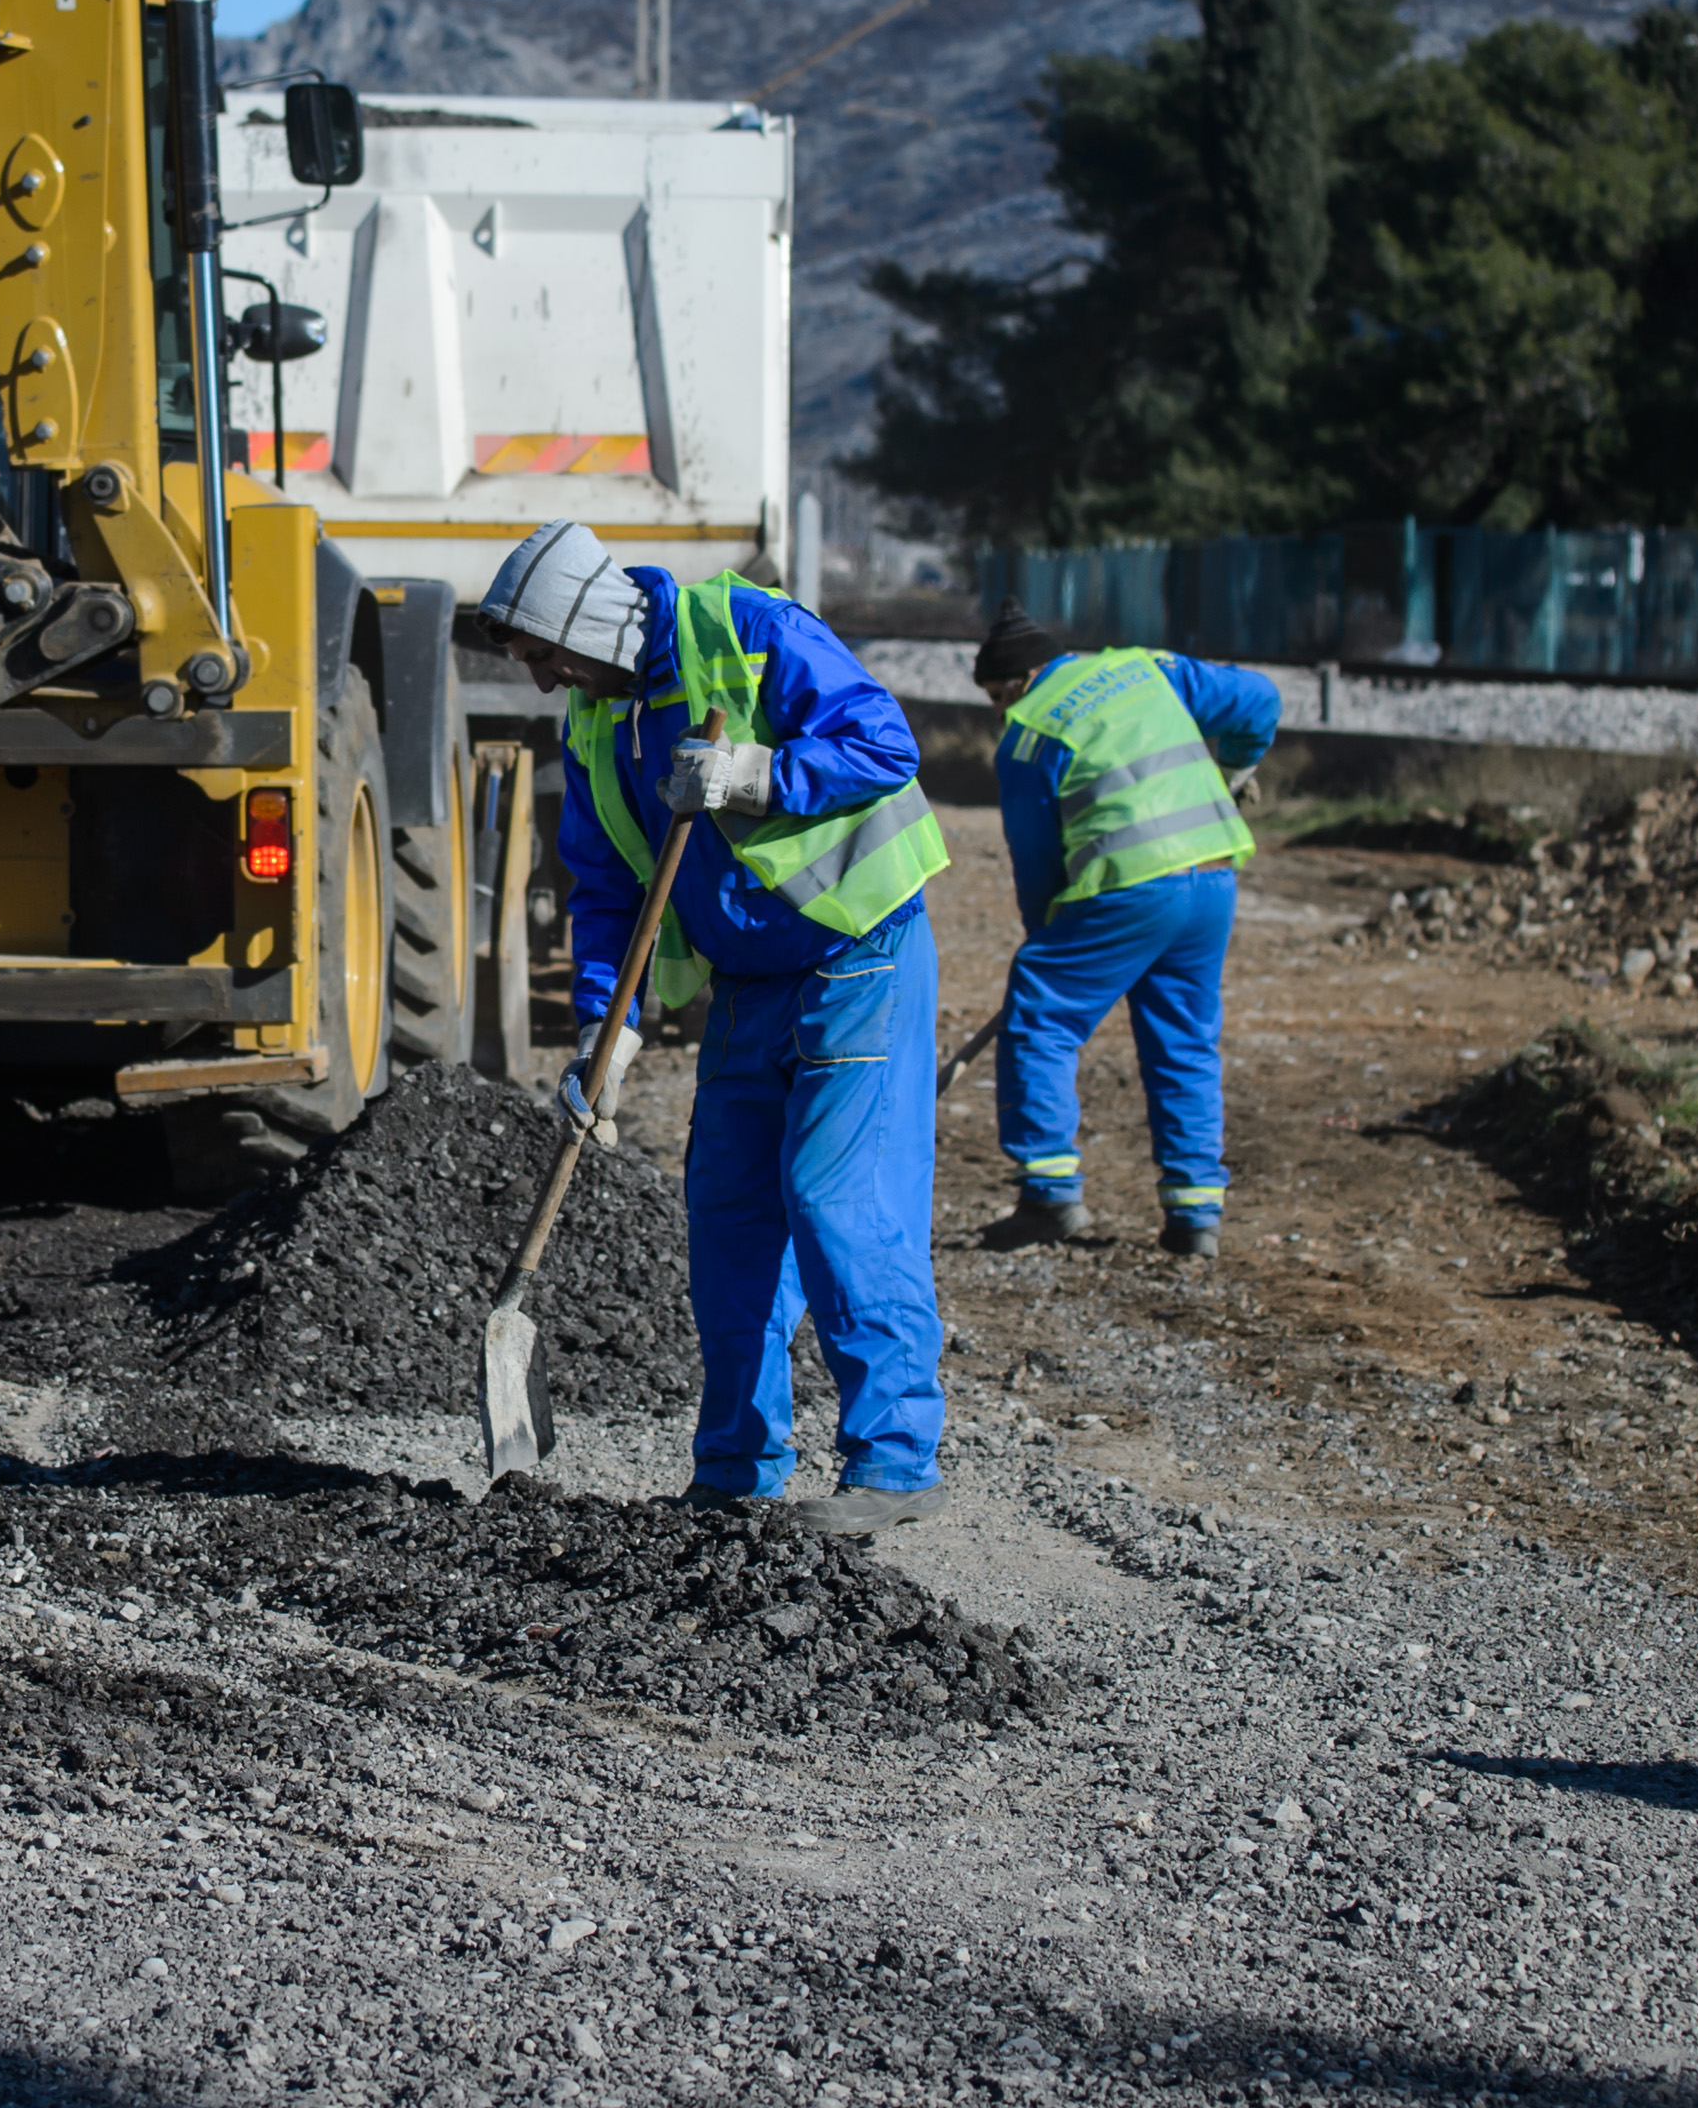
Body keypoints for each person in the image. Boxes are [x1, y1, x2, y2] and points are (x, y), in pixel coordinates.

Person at [474, 520, 956, 1531]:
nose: (540, 682)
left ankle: (893, 1466)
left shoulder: (745, 628)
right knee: (729, 1224)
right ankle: (736, 1469)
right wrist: (608, 1035)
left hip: (855, 955)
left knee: (836, 1203)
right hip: (744, 982)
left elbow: (885, 744)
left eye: (542, 658)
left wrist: (756, 778)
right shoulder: (596, 718)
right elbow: (602, 886)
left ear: (584, 625)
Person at [971, 605, 1279, 1259]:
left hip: (1130, 887)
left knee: (1041, 1018)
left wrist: (1045, 941)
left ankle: (1048, 1192)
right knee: (1185, 1041)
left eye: (998, 696)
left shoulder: (1029, 733)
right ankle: (1195, 1213)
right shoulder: (1148, 670)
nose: (1000, 711)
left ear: (1024, 679)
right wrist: (1237, 772)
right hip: (1212, 875)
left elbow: (1036, 865)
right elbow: (1260, 700)